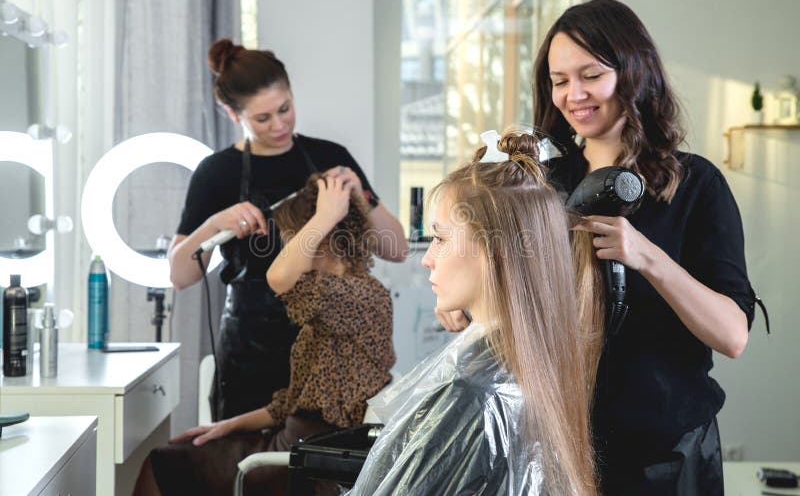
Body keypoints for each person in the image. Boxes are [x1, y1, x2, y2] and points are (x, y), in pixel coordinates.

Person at [532, 0, 757, 494]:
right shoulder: (540, 186)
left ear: (632, 72)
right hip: (560, 442)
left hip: (668, 455)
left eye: (591, 75)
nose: (573, 94)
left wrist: (646, 256)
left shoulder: (696, 184)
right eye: (560, 79)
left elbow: (733, 336)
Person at [347, 128, 602, 495]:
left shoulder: (472, 392)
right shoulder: (542, 359)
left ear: (494, 252)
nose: (428, 260)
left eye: (440, 238)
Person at [168, 39, 406, 420]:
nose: (279, 125)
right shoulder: (217, 173)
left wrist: (359, 192)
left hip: (328, 347)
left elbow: (396, 248)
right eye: (263, 119)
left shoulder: (330, 156)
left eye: (285, 109)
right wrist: (214, 223)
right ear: (233, 114)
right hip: (250, 349)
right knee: (245, 467)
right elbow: (180, 275)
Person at [134, 172, 396, 495]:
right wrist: (225, 427)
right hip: (295, 445)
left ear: (321, 237)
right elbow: (290, 404)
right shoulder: (340, 298)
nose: (289, 249)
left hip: (306, 461)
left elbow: (279, 276)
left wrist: (324, 216)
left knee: (162, 464)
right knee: (170, 460)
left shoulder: (358, 297)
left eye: (292, 239)